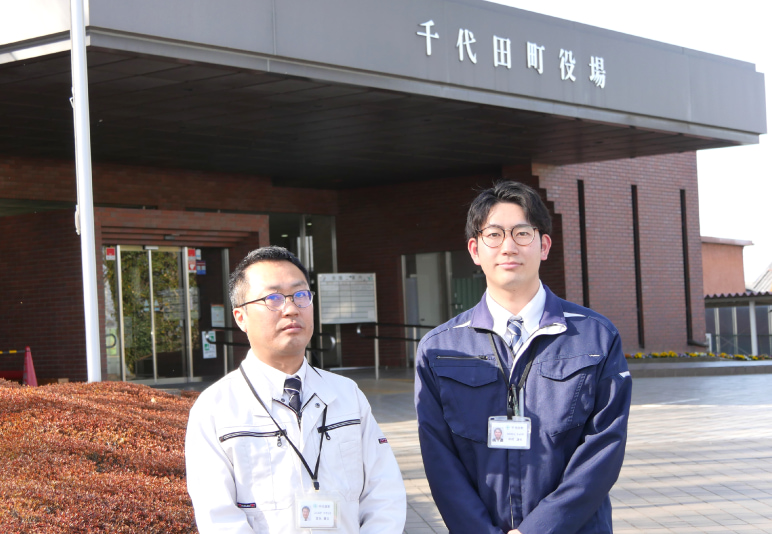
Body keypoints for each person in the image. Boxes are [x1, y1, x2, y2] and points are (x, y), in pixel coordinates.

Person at [415, 181, 632, 534]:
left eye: (522, 233)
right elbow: (439, 458)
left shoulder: (595, 336)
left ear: (544, 245)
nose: (508, 247)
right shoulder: (440, 349)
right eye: (494, 235)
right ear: (474, 249)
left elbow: (604, 448)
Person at [186, 246, 406, 533]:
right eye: (273, 298)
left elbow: (384, 493)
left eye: (300, 295)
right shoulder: (215, 408)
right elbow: (219, 518)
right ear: (241, 318)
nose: (290, 308)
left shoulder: (347, 394)